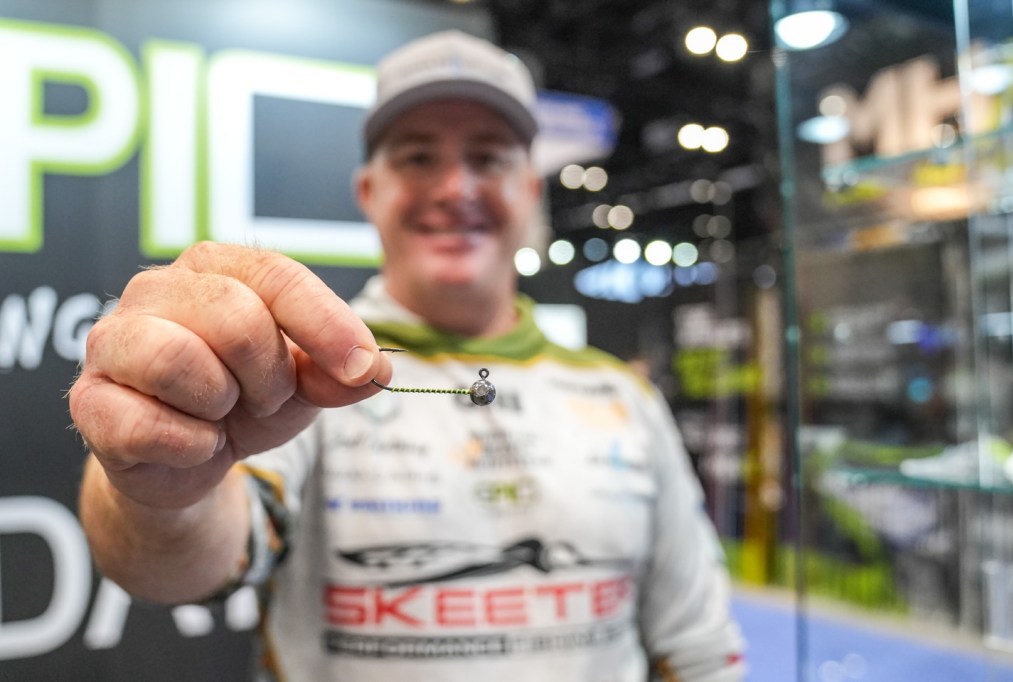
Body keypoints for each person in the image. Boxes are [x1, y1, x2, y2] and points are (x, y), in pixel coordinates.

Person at [70, 29, 746, 681]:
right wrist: (160, 483)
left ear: (531, 191)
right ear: (370, 191)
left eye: (489, 158)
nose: (455, 189)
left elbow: (699, 645)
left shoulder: (623, 397)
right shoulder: (296, 373)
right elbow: (178, 561)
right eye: (419, 157)